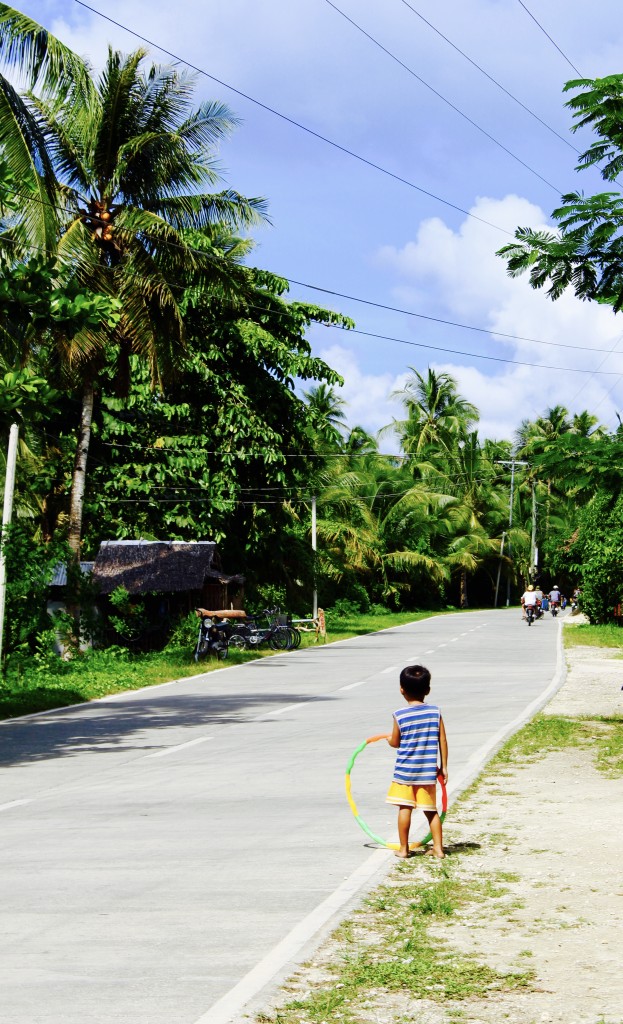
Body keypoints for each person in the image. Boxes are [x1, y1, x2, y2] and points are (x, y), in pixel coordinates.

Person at [386, 665, 448, 859]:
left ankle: (404, 849)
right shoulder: (435, 712)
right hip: (427, 772)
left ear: (401, 689)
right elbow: (443, 740)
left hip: (405, 773)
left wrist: (389, 739)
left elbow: (395, 742)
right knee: (431, 811)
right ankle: (438, 849)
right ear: (427, 690)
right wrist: (444, 767)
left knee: (405, 808)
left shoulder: (399, 715)